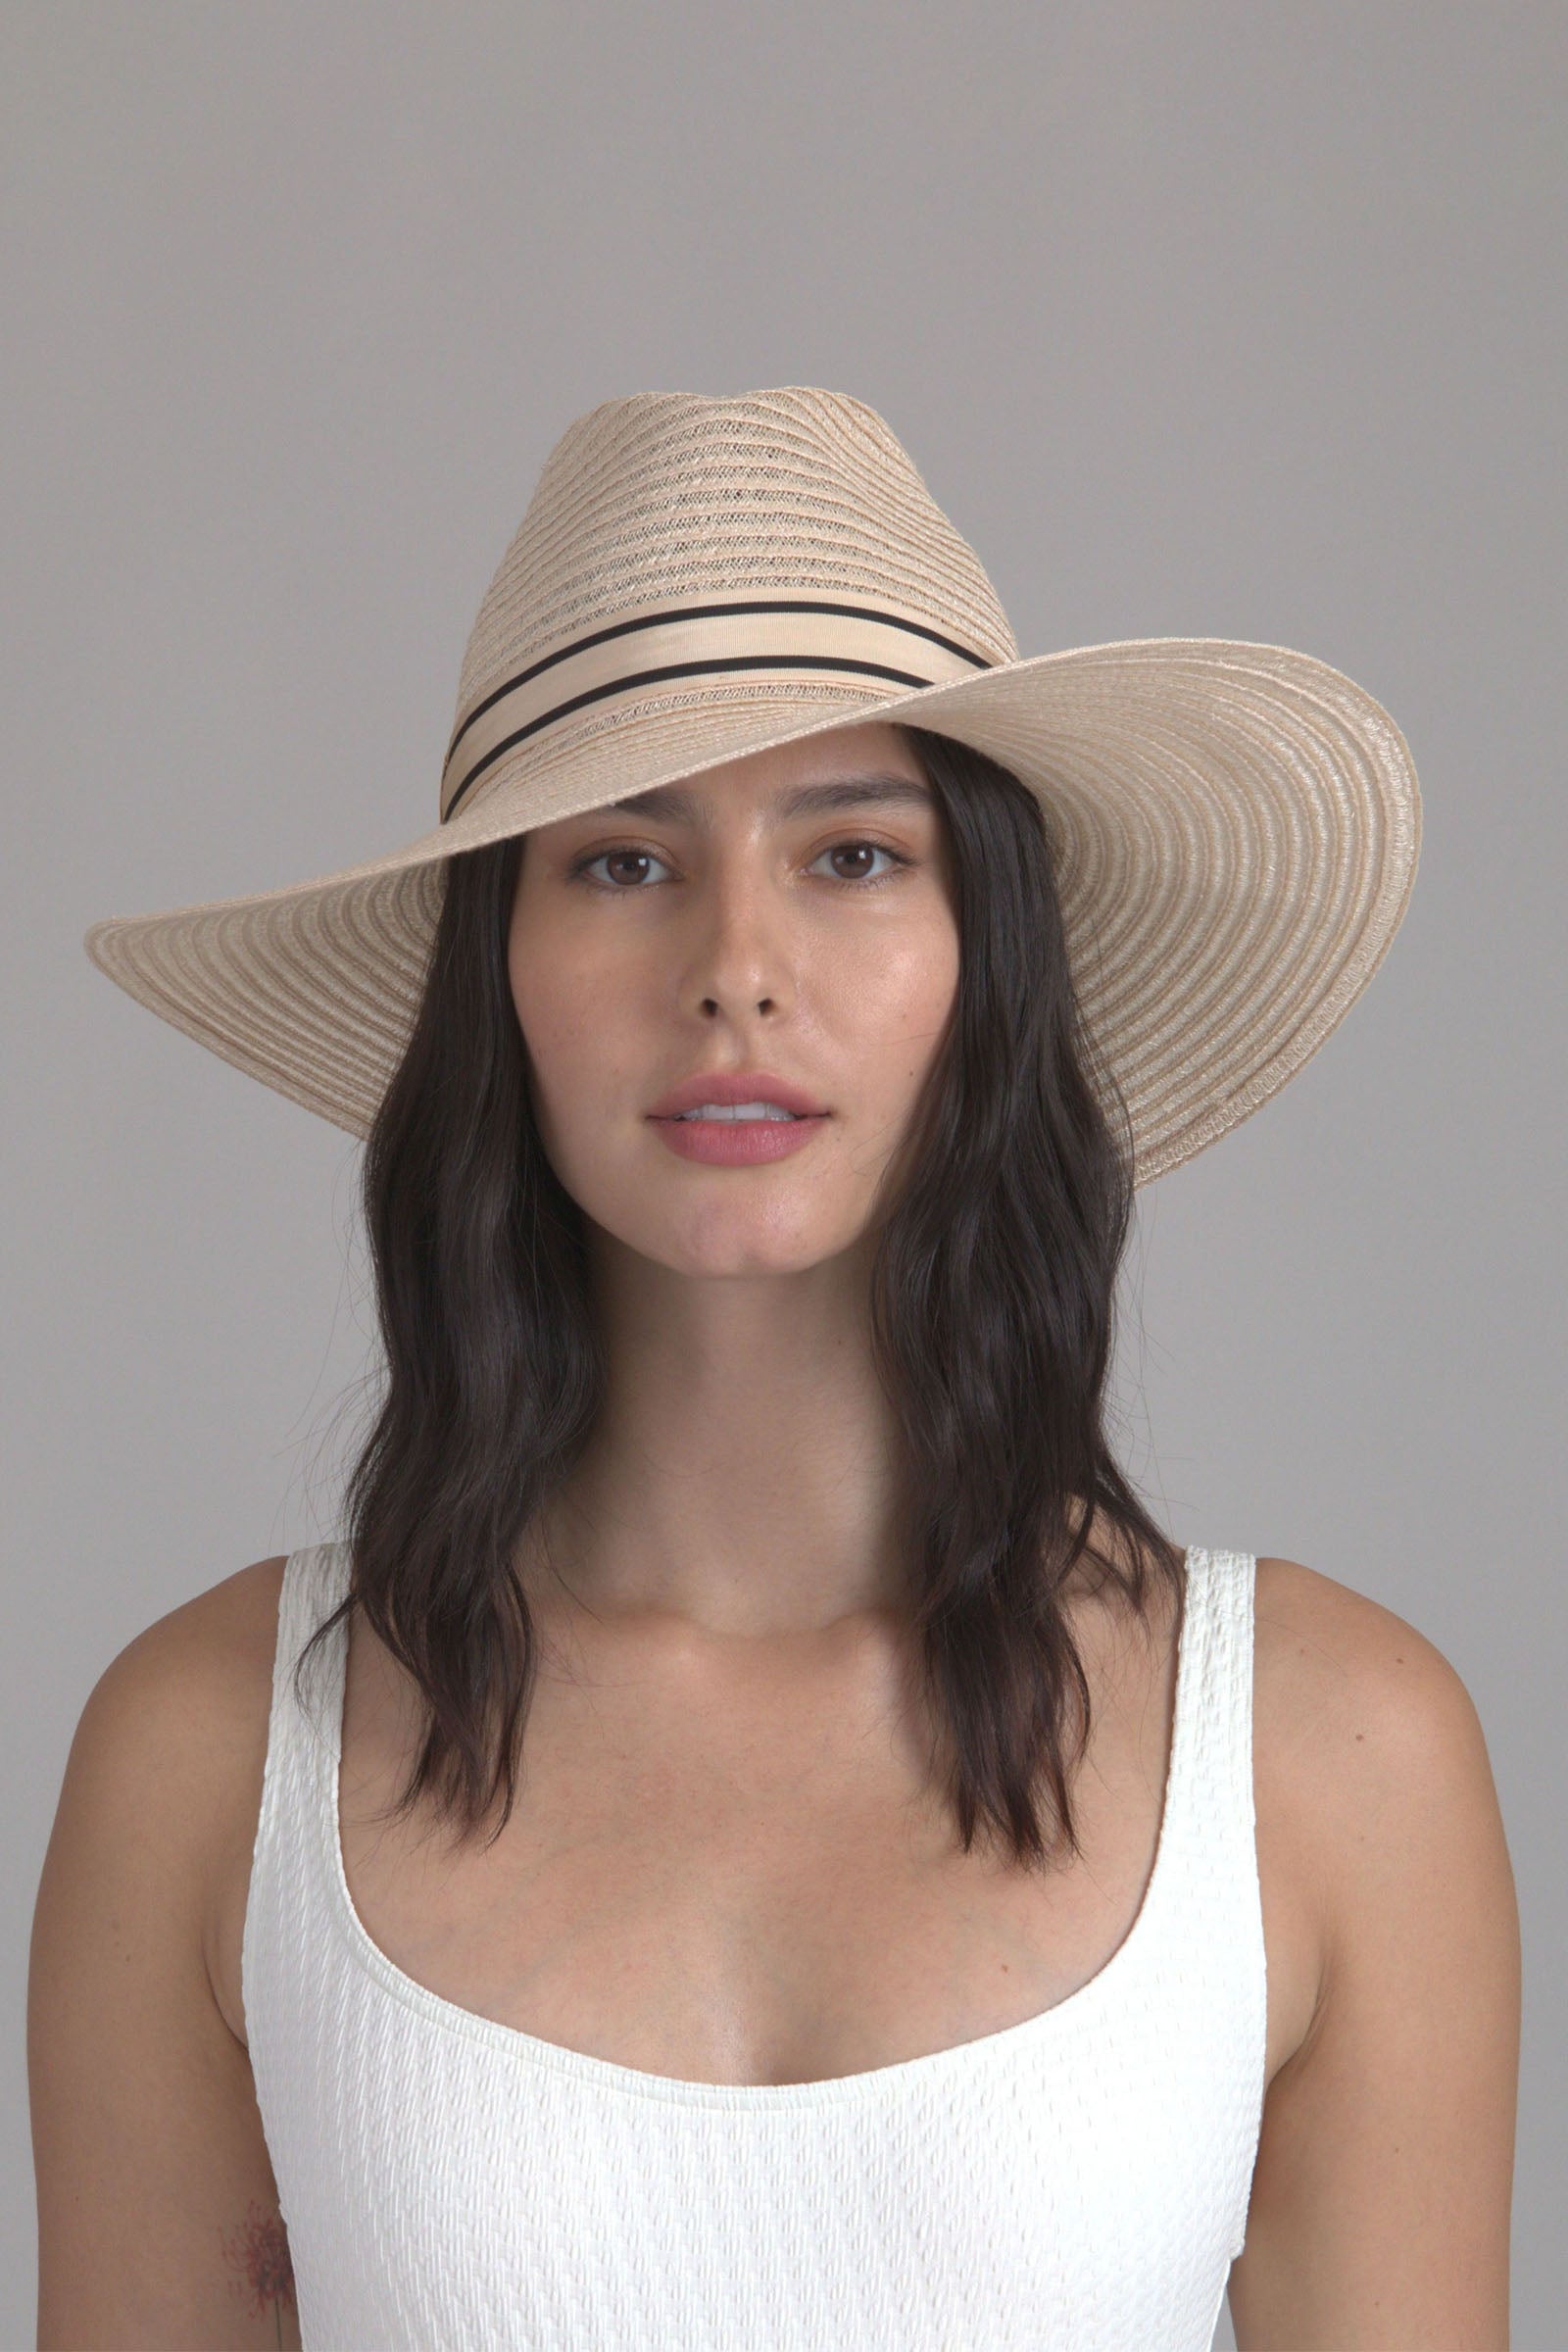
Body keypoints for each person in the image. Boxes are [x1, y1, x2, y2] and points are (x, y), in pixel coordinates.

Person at [34, 388, 1518, 2350]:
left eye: (855, 853)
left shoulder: (1330, 1763)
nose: (735, 964)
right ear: (496, 976)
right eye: (620, 863)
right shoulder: (210, 1759)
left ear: (986, 961)